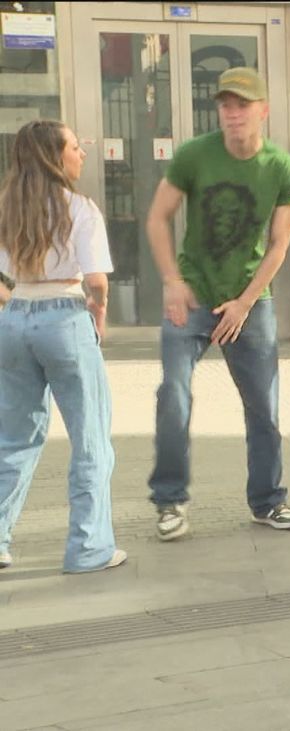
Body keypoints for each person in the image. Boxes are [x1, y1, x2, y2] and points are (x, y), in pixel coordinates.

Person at [145, 68, 290, 540]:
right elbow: (158, 217)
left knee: (264, 407)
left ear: (263, 111)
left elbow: (279, 246)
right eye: (226, 105)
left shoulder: (282, 168)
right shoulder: (195, 155)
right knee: (173, 393)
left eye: (243, 104)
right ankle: (170, 502)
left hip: (250, 301)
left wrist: (244, 303)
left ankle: (268, 501)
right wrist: (172, 280)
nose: (233, 113)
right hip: (193, 294)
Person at [0, 120, 126, 572]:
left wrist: (13, 303)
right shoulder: (80, 208)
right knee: (90, 437)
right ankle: (89, 548)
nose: (83, 153)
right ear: (56, 156)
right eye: (75, 146)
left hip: (14, 321)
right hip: (66, 316)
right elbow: (96, 280)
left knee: (14, 437)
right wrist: (99, 314)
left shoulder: (7, 206)